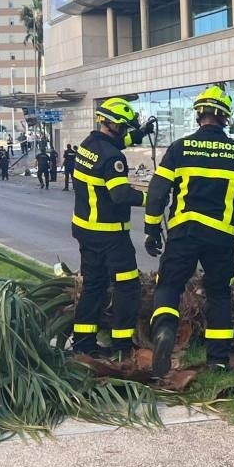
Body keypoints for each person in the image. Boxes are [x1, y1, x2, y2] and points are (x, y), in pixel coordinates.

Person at [144, 86, 234, 377]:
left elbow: (157, 192)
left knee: (169, 285)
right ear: (225, 118)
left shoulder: (179, 149)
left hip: (183, 232)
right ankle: (218, 360)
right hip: (220, 237)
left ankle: (164, 331)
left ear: (198, 115)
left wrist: (151, 228)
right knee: (219, 294)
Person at [70, 97, 148, 357]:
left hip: (85, 229)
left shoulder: (88, 145)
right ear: (114, 125)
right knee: (127, 286)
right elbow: (121, 195)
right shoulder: (113, 158)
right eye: (125, 128)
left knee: (93, 285)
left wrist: (140, 134)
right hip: (110, 233)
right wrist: (150, 198)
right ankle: (122, 346)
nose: (126, 132)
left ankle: (84, 344)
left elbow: (112, 144)